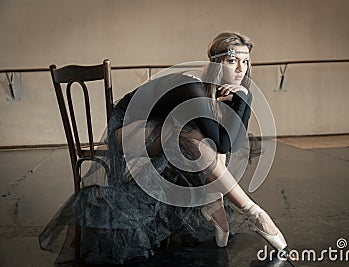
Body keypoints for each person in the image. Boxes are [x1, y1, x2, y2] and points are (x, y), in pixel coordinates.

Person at [39, 32, 290, 264]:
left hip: (161, 129)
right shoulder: (192, 87)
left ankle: (216, 203)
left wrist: (244, 96)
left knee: (201, 135)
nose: (240, 68)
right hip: (125, 129)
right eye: (233, 60)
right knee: (188, 136)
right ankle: (254, 214)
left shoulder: (220, 91)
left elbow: (229, 141)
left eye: (246, 62)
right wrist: (244, 97)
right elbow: (224, 142)